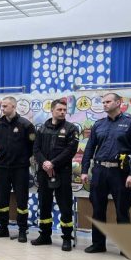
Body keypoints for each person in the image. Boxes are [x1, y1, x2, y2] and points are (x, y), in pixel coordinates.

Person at [81, 93, 131, 254]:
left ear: (118, 102)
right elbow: (89, 149)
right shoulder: (98, 124)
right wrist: (84, 170)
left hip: (120, 172)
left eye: (108, 101)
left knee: (122, 210)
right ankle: (98, 244)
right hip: (100, 171)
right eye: (103, 102)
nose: (105, 104)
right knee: (97, 209)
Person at [32, 98, 79, 251]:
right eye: (59, 109)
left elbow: (70, 151)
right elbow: (36, 149)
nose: (62, 112)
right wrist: (45, 163)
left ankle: (66, 238)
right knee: (44, 204)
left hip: (62, 172)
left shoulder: (71, 129)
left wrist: (53, 163)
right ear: (52, 110)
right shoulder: (42, 128)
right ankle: (45, 235)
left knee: (65, 206)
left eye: (64, 110)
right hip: (44, 172)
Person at [0, 96, 36, 242]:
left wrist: (22, 158)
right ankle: (3, 228)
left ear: (14, 107)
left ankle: (22, 230)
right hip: (3, 167)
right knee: (2, 200)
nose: (2, 109)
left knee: (21, 201)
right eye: (2, 106)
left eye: (5, 106)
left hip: (20, 168)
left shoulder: (26, 125)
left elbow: (33, 146)